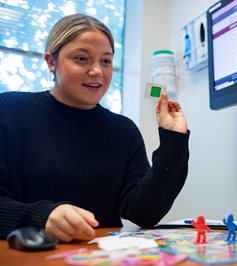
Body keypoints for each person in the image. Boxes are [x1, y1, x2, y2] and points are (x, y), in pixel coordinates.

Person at [0, 14, 190, 242]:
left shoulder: (124, 131)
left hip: (100, 257)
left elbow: (144, 213)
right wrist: (42, 217)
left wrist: (174, 139)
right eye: (81, 58)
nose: (97, 71)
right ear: (51, 62)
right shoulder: (8, 110)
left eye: (106, 61)